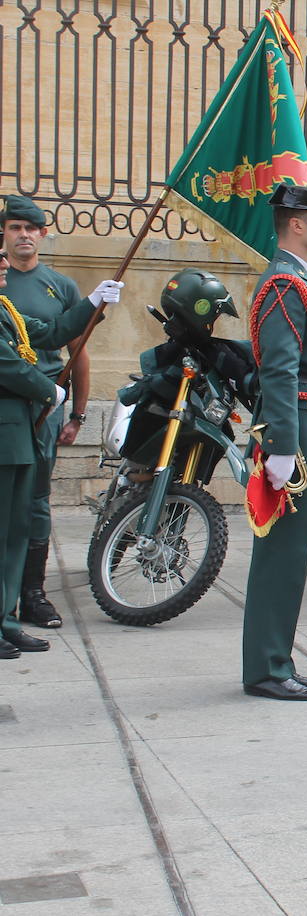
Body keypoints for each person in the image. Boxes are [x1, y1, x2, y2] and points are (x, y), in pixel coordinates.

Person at [241, 184, 307, 701]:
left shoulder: (302, 279)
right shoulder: (285, 283)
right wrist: (283, 446)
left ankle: (277, 658)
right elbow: (279, 370)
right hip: (297, 437)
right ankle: (265, 667)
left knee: (293, 557)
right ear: (296, 224)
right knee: (280, 559)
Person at [0, 246, 121, 657]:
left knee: (17, 531)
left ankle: (6, 620)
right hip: (6, 435)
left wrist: (92, 301)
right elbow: (7, 366)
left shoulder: (5, 309)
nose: (4, 262)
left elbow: (50, 333)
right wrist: (48, 389)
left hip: (19, 436)